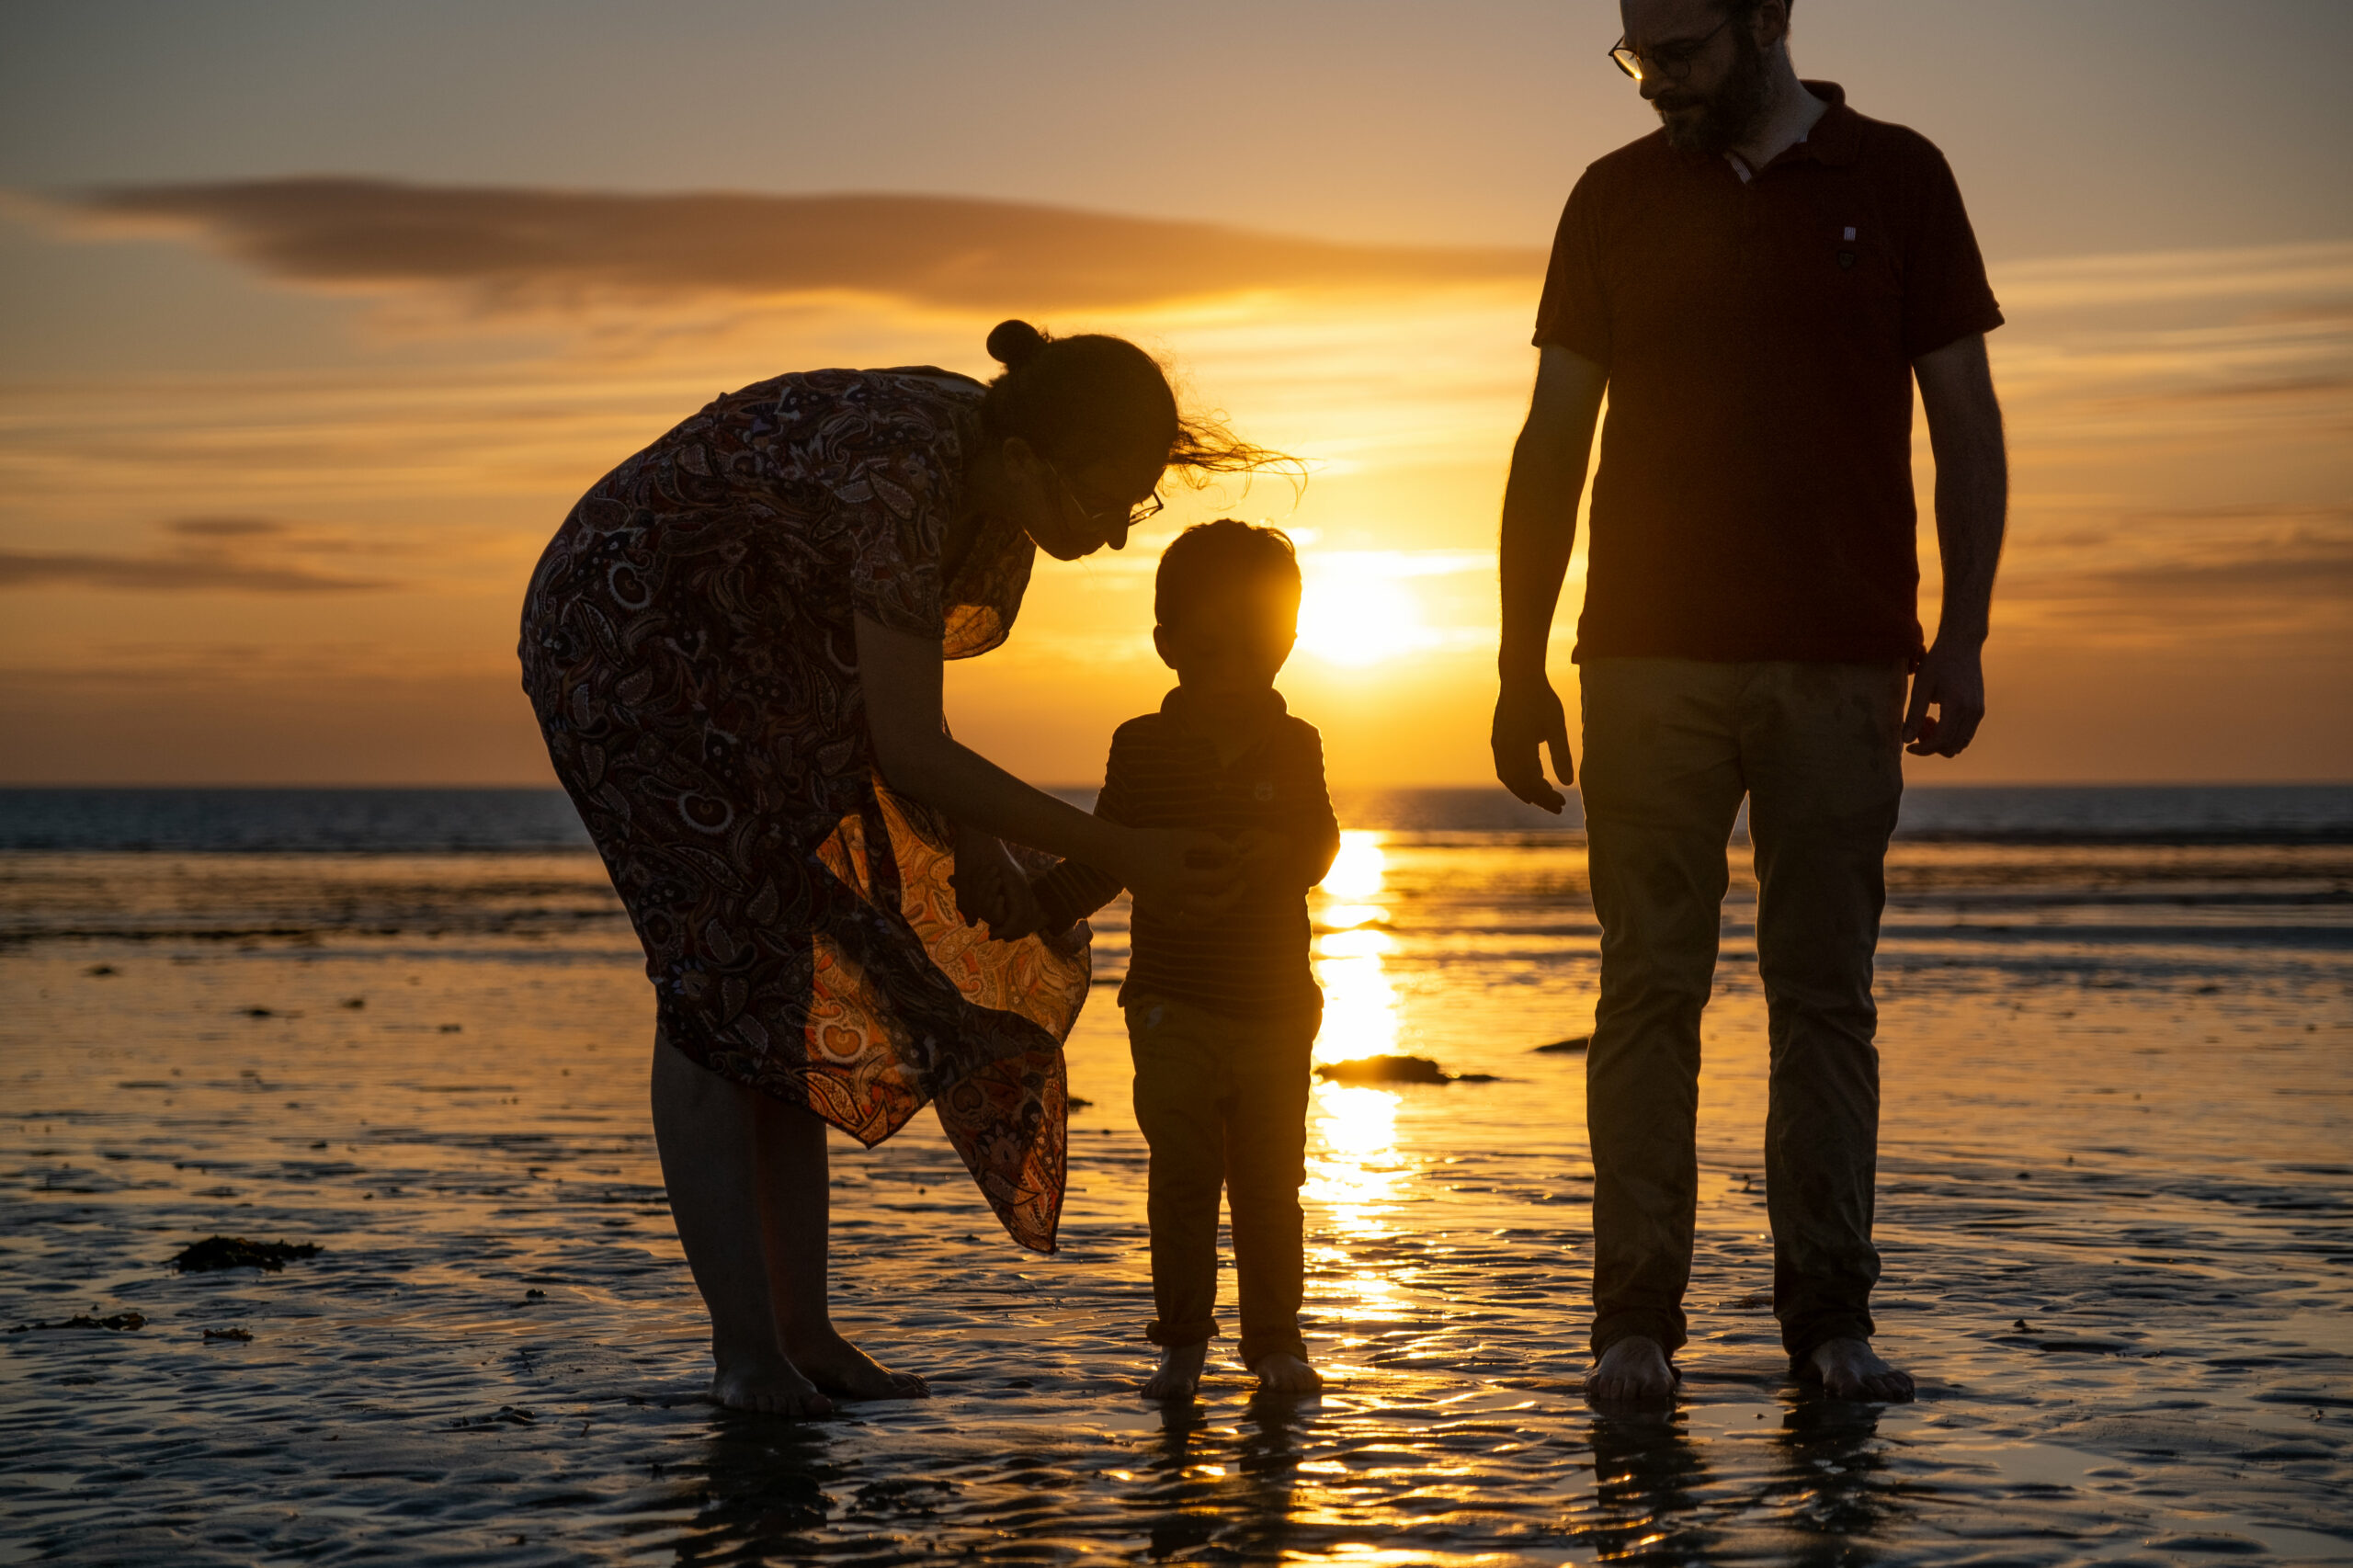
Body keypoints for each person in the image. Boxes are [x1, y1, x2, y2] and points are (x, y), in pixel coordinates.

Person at [519, 320, 1287, 1416]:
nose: (1119, 536)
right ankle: (747, 1360)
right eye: (1109, 498)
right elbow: (911, 745)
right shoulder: (901, 474)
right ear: (1027, 457)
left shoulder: (992, 494)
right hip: (630, 647)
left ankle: (803, 1334)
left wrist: (975, 840)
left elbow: (903, 706)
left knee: (773, 981)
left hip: (767, 660)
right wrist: (1119, 849)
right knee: (709, 983)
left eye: (1138, 506)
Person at [1492, 0, 2008, 1403]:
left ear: (1769, 16)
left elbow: (1965, 420)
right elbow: (1552, 441)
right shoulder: (1611, 196)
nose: (1657, 81)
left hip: (1843, 661)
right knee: (1646, 990)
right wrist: (1517, 656)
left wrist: (1959, 634)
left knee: (1822, 998)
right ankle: (1634, 1326)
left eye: (1685, 52)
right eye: (1639, 54)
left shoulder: (1899, 177)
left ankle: (1831, 1321)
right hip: (1645, 656)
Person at [1030, 521, 1339, 1400]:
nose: (1237, 668)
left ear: (1286, 642)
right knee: (1184, 1172)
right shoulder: (1142, 746)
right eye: (1211, 649)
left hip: (1277, 1003)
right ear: (1167, 645)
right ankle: (1183, 1340)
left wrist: (1276, 857)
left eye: (1258, 646)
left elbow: (1321, 839)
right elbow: (1102, 855)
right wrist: (1035, 907)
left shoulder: (1296, 742)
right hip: (1170, 1003)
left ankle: (1276, 1340)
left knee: (1273, 1180)